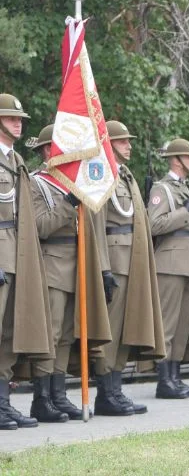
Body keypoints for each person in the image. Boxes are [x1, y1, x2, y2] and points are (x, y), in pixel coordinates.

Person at [30, 124, 112, 421]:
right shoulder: (36, 183)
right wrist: (68, 204)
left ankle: (59, 394)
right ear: (45, 151)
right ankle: (42, 398)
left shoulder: (73, 183)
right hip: (52, 262)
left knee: (66, 335)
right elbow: (39, 227)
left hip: (77, 264)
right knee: (50, 334)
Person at [92, 121, 165, 416]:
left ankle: (116, 389)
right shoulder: (101, 173)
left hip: (132, 259)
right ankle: (106, 393)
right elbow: (96, 221)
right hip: (116, 258)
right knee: (111, 331)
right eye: (123, 141)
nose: (129, 145)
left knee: (125, 329)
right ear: (110, 144)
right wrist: (104, 268)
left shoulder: (126, 175)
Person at [0, 97, 49, 430]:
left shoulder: (16, 160)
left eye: (20, 119)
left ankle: (2, 402)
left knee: (8, 333)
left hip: (17, 250)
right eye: (11, 118)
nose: (18, 123)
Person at [148, 138, 189, 400]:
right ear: (176, 160)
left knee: (181, 327)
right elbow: (154, 225)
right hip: (170, 264)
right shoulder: (163, 189)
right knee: (168, 326)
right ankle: (163, 380)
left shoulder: (185, 189)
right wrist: (184, 212)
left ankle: (174, 376)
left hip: (188, 264)